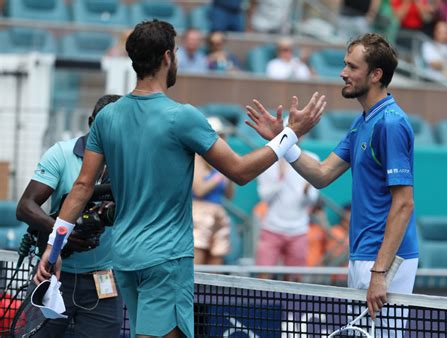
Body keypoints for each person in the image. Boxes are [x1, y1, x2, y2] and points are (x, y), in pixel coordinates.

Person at [34, 19, 327, 338]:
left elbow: (81, 187)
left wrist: (54, 246)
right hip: (166, 260)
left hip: (125, 260)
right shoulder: (183, 116)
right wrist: (290, 134)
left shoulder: (107, 116)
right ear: (167, 57)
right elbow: (241, 172)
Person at [246, 33, 419, 329]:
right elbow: (322, 174)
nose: (343, 73)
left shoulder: (390, 124)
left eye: (352, 67)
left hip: (384, 259)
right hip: (364, 255)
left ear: (376, 75)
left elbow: (404, 204)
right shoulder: (363, 121)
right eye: (344, 65)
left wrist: (380, 272)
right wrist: (282, 140)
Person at [16, 94, 123, 338]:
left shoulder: (129, 164)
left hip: (104, 281)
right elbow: (25, 206)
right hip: (52, 274)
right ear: (90, 122)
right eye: (103, 126)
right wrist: (62, 232)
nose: (109, 135)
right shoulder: (61, 154)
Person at [255, 148, 319, 282]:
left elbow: (311, 200)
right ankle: (261, 304)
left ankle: (291, 305)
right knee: (262, 276)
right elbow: (264, 197)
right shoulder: (267, 159)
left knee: (295, 279)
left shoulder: (312, 158)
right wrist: (281, 177)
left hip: (299, 229)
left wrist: (307, 192)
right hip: (271, 228)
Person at [192, 117, 234, 265]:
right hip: (199, 214)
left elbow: (229, 196)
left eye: (222, 136)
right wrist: (220, 175)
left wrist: (229, 172)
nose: (221, 139)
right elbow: (199, 190)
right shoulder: (197, 158)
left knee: (217, 266)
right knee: (198, 265)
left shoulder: (224, 161)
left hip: (219, 215)